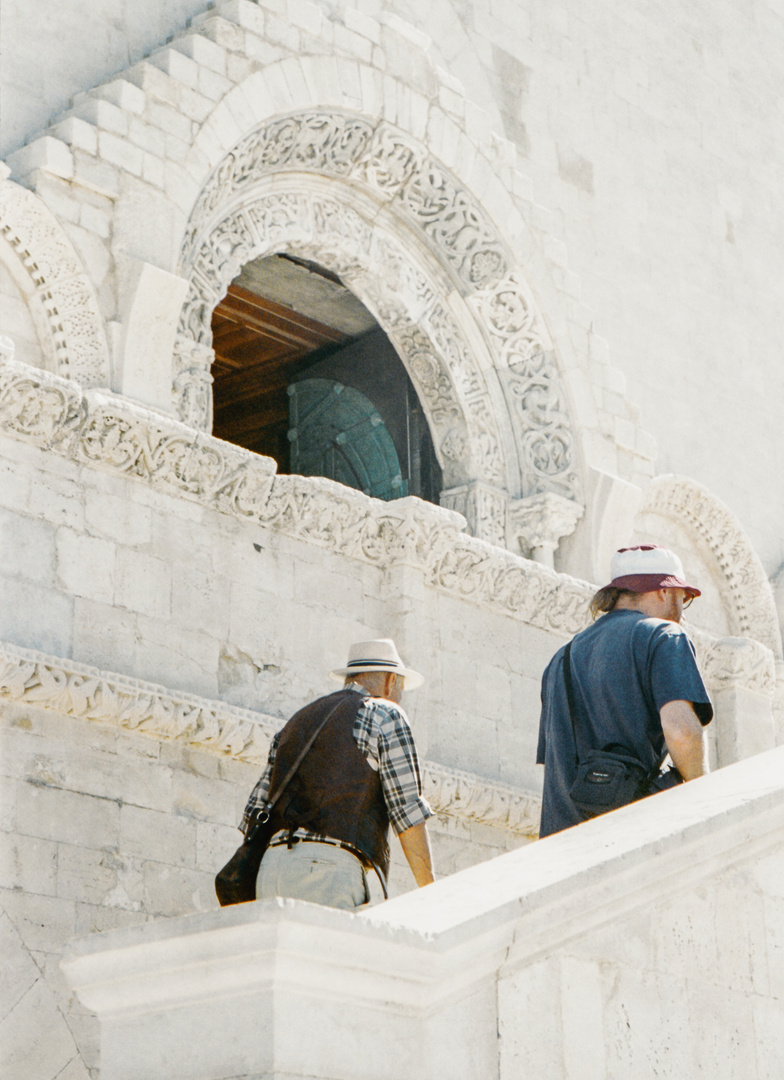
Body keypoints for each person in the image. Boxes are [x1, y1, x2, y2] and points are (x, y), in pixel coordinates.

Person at [241, 638, 435, 909]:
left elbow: (254, 810)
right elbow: (408, 813)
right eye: (400, 689)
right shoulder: (386, 713)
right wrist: (433, 894)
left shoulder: (298, 720)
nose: (399, 697)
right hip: (327, 872)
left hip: (270, 870)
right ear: (391, 681)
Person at [536, 545, 713, 837]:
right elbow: (682, 731)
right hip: (628, 840)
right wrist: (704, 802)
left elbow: (555, 764)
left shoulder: (560, 659)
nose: (683, 612)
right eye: (685, 599)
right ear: (664, 591)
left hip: (561, 852)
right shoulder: (665, 636)